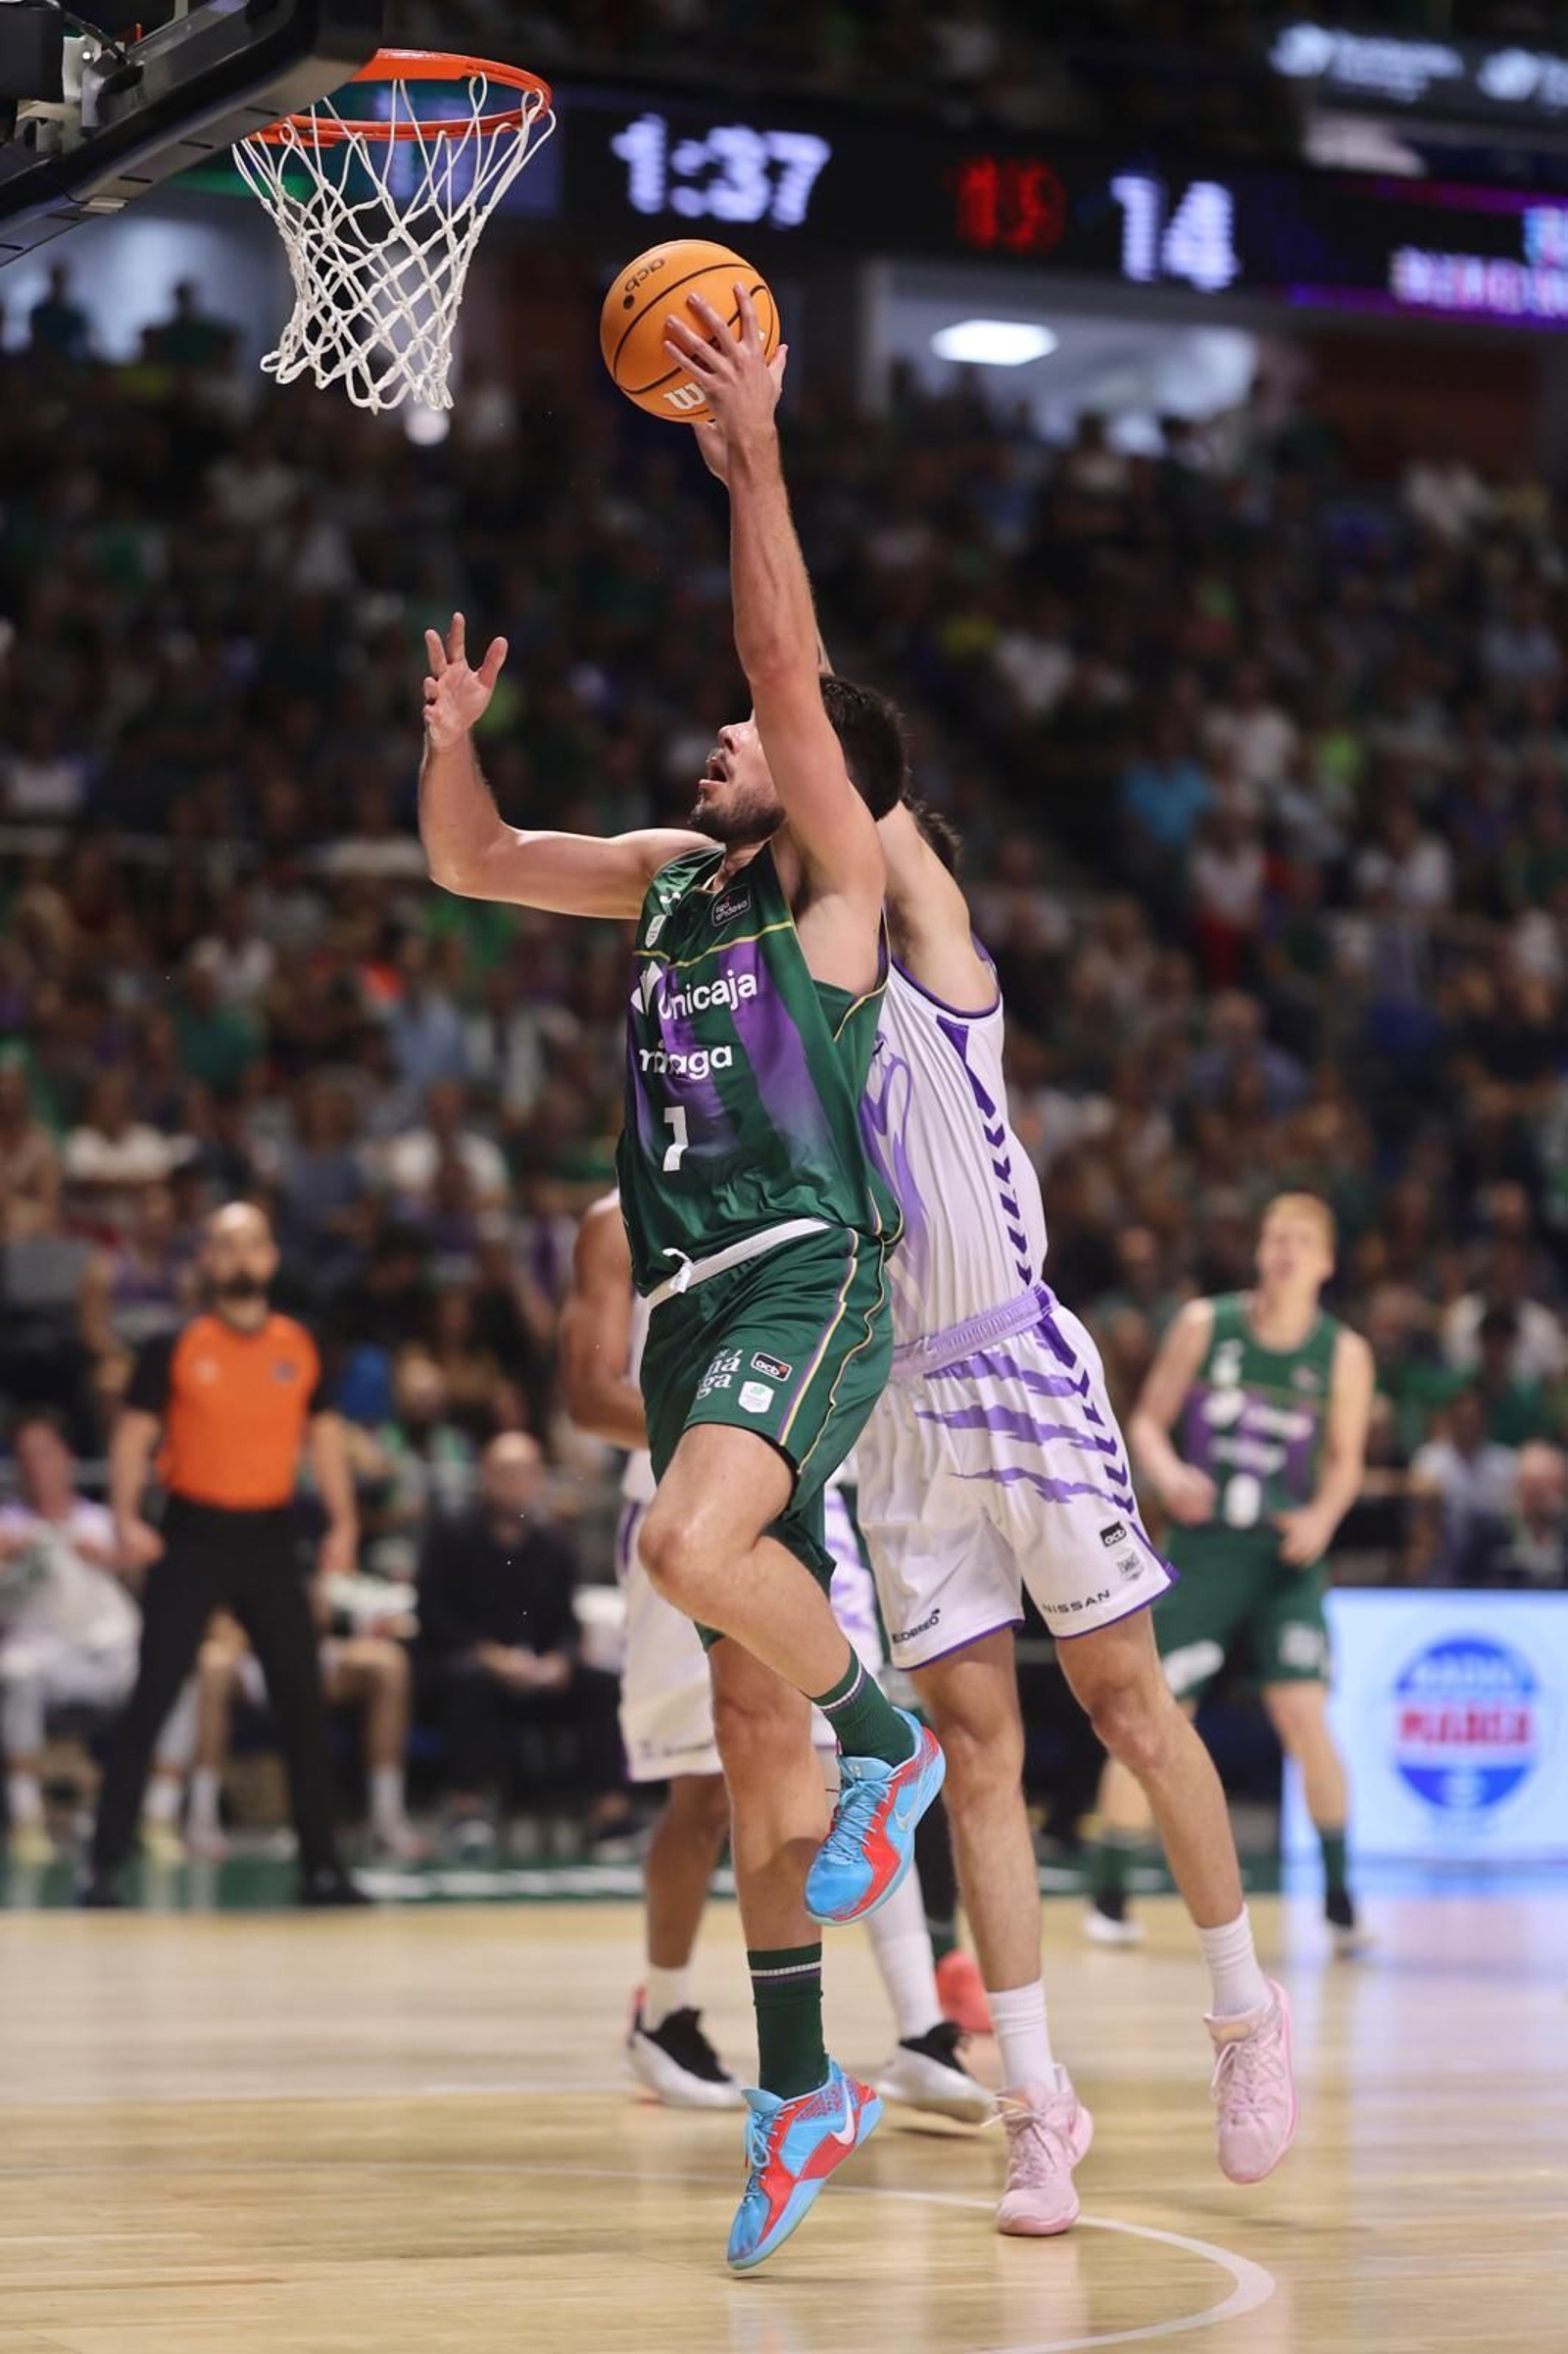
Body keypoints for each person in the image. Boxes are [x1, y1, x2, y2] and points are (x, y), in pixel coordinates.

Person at [418, 291, 945, 2273]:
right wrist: (450, 754)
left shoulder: (834, 883)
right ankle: (806, 2078)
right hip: (692, 1303)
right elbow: (471, 865)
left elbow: (782, 666)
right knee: (743, 1748)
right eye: (723, 743)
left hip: (805, 1274)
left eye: (743, 741)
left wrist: (752, 459)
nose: (715, 740)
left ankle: (884, 1734)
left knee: (678, 1544)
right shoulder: (665, 878)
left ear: (822, 786)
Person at [853, 797, 1298, 2231]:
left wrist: (793, 707)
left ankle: (1242, 2013)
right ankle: (1037, 2105)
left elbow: (838, 765)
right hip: (897, 1411)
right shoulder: (805, 998)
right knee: (972, 1750)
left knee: (1126, 1705)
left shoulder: (940, 959)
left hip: (1015, 1370)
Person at [562, 1192, 985, 2122]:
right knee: (704, 1793)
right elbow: (589, 1394)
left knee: (852, 1766)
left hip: (798, 1500)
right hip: (686, 1500)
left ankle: (920, 2026)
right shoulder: (613, 1220)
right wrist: (729, 1435)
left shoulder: (809, 1195)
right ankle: (665, 2012)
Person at [1085, 1196, 1374, 1960]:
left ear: (1326, 1262)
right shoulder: (1205, 1325)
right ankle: (1110, 1889)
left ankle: (1342, 1900)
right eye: (1274, 1235)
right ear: (1258, 1250)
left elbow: (1346, 1461)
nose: (1284, 1249)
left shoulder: (1341, 1352)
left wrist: (1323, 1519)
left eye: (1301, 1240)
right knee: (1154, 1713)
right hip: (1207, 1548)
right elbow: (1144, 1420)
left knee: (1305, 1716)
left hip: (1285, 1557)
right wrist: (1171, 1471)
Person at [80, 1202, 365, 1908]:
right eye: (225, 1246)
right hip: (192, 1534)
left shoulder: (300, 1344)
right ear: (206, 1260)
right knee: (153, 1694)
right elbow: (131, 1438)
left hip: (271, 1535)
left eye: (253, 1245)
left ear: (270, 1258)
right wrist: (123, 1516)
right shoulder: (173, 1344)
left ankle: (322, 1867)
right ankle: (105, 1864)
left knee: (302, 1697)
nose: (240, 1258)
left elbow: (323, 1441)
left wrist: (344, 1523)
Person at [0, 1409, 194, 1864]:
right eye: (26, 1457)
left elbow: (154, 1574)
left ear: (67, 1459)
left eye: (45, 1454)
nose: (37, 1466)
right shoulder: (8, 1525)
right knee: (16, 1673)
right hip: (44, 1661)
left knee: (175, 1678)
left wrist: (118, 1559)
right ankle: (27, 1820)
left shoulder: (105, 1522)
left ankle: (158, 1819)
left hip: (111, 1659)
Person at [416, 1433, 625, 1850]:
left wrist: (560, 1660)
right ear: (485, 1477)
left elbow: (566, 1622)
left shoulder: (553, 1543)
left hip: (539, 1670)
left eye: (526, 1472)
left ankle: (611, 1815)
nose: (516, 1482)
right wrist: (490, 1656)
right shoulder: (452, 1536)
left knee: (600, 1684)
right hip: (471, 1665)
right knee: (467, 1684)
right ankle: (467, 1808)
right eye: (505, 1472)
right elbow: (433, 1616)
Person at [188, 1604, 419, 1864]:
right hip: (250, 1655)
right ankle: (201, 1819)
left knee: (388, 1663)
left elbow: (320, 1614)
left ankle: (386, 1818)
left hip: (311, 1652)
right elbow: (219, 1622)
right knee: (212, 1663)